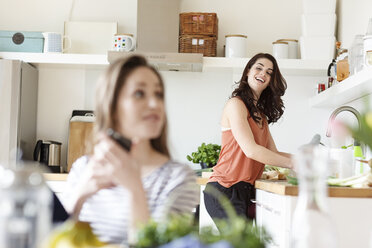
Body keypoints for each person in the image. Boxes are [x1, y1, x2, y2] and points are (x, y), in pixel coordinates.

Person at [61, 55, 199, 245]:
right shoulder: (83, 168)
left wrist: (135, 189)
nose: (155, 104)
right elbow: (53, 238)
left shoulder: (178, 178)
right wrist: (81, 194)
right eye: (140, 93)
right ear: (112, 106)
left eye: (158, 94)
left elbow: (156, 244)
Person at [204, 53, 294, 222]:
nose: (263, 74)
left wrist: (307, 160)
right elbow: (251, 151)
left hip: (245, 191)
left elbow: (272, 152)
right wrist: (293, 163)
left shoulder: (261, 115)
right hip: (225, 189)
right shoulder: (235, 105)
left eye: (269, 72)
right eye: (259, 68)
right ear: (247, 71)